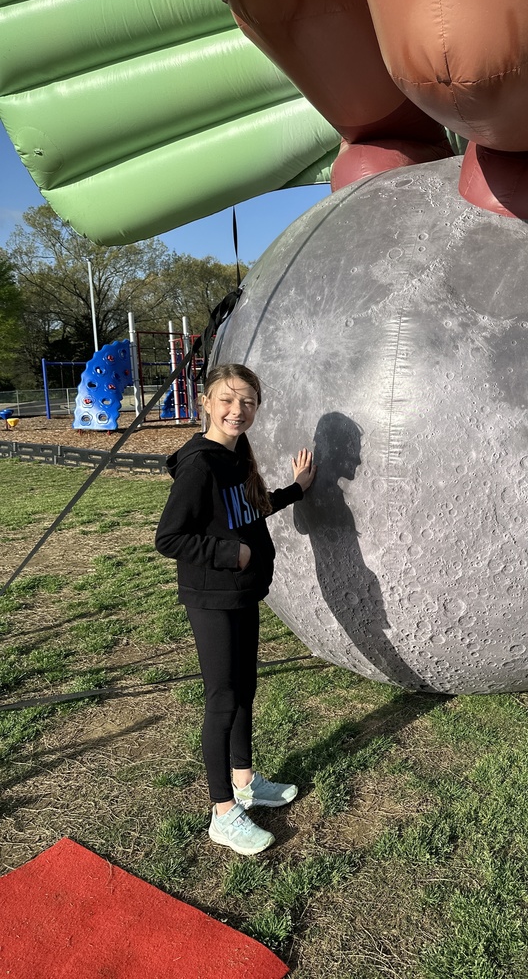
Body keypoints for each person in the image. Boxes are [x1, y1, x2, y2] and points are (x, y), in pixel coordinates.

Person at [155, 362, 316, 855]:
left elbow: (250, 507)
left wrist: (298, 489)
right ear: (204, 402)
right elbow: (169, 538)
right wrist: (230, 553)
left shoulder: (237, 453)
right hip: (212, 596)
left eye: (247, 401)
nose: (236, 410)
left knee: (244, 687)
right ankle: (223, 813)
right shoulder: (200, 464)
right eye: (226, 400)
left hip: (244, 592)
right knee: (223, 697)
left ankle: (245, 781)